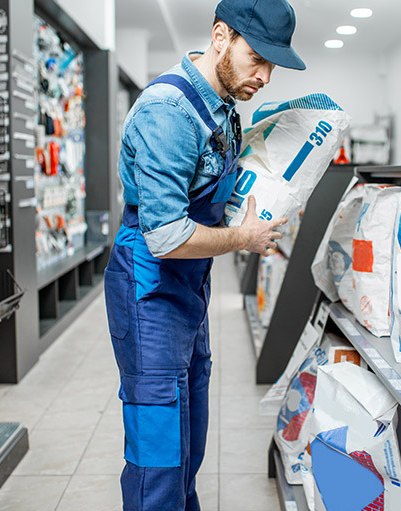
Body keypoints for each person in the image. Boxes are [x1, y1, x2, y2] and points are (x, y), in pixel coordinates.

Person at [103, 1, 305, 510]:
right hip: (149, 289)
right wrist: (244, 239)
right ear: (221, 36)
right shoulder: (169, 113)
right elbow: (166, 236)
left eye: (272, 65)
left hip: (188, 289)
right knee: (159, 453)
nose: (264, 75)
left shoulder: (222, 107)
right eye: (256, 57)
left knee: (189, 434)